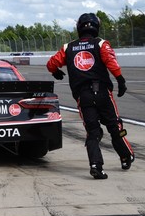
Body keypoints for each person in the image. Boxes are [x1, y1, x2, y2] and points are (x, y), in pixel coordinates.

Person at [46, 13, 135, 180]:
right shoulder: (101, 44)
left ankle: (96, 166)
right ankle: (125, 157)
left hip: (83, 97)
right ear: (96, 26)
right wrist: (120, 80)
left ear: (79, 27)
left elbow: (51, 63)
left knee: (93, 132)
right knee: (115, 127)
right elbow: (111, 62)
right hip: (102, 93)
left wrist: (55, 71)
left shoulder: (68, 47)